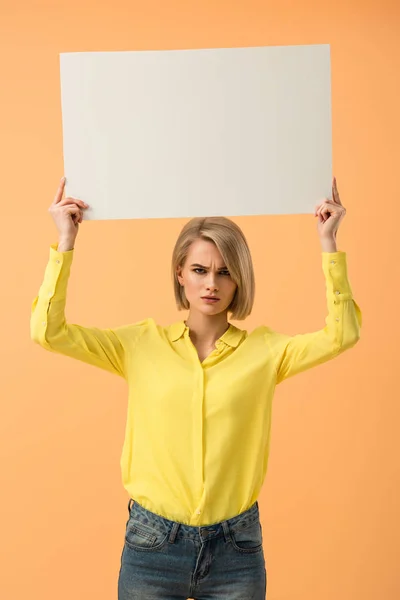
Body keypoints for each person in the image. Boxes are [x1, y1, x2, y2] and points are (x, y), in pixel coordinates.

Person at [31, 176, 362, 600]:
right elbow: (48, 332)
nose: (212, 284)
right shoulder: (139, 345)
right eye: (200, 270)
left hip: (236, 548)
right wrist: (65, 242)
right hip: (152, 546)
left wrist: (328, 244)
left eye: (225, 273)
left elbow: (343, 334)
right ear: (180, 273)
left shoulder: (264, 352)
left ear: (239, 279)